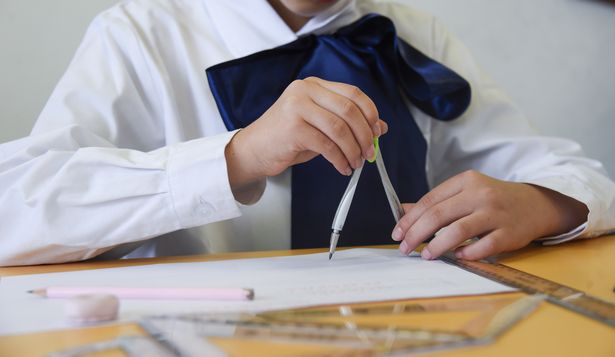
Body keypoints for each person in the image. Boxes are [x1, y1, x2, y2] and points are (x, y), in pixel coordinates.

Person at [0, 0, 613, 267]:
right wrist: (232, 158)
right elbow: (15, 210)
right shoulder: (137, 36)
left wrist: (541, 202)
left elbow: (585, 178)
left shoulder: (420, 33)